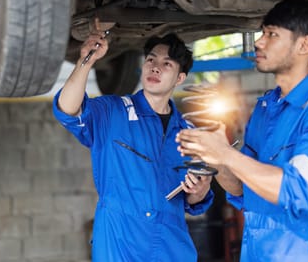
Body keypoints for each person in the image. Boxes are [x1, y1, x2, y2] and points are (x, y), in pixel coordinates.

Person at [176, 0, 308, 262]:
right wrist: (215, 158)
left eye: (272, 34)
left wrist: (226, 155)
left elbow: (299, 191)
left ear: (304, 44)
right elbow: (242, 189)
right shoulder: (267, 108)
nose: (259, 41)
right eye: (262, 32)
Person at [53, 18, 213, 261]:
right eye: (151, 60)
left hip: (171, 248)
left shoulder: (190, 134)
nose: (155, 67)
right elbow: (67, 109)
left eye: (166, 63)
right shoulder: (113, 112)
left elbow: (193, 199)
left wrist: (200, 190)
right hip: (120, 246)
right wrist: (87, 61)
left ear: (180, 78)